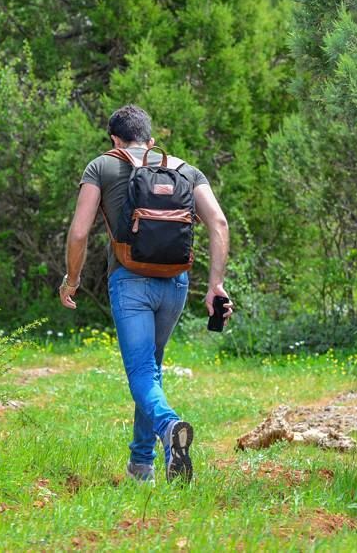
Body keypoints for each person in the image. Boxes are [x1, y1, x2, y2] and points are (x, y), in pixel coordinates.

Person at [60, 105, 233, 483]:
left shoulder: (101, 166)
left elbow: (78, 233)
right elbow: (218, 222)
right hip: (175, 283)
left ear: (114, 139)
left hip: (130, 279)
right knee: (150, 371)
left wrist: (71, 279)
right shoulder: (186, 169)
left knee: (140, 371)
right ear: (151, 140)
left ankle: (170, 430)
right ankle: (142, 465)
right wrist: (215, 284)